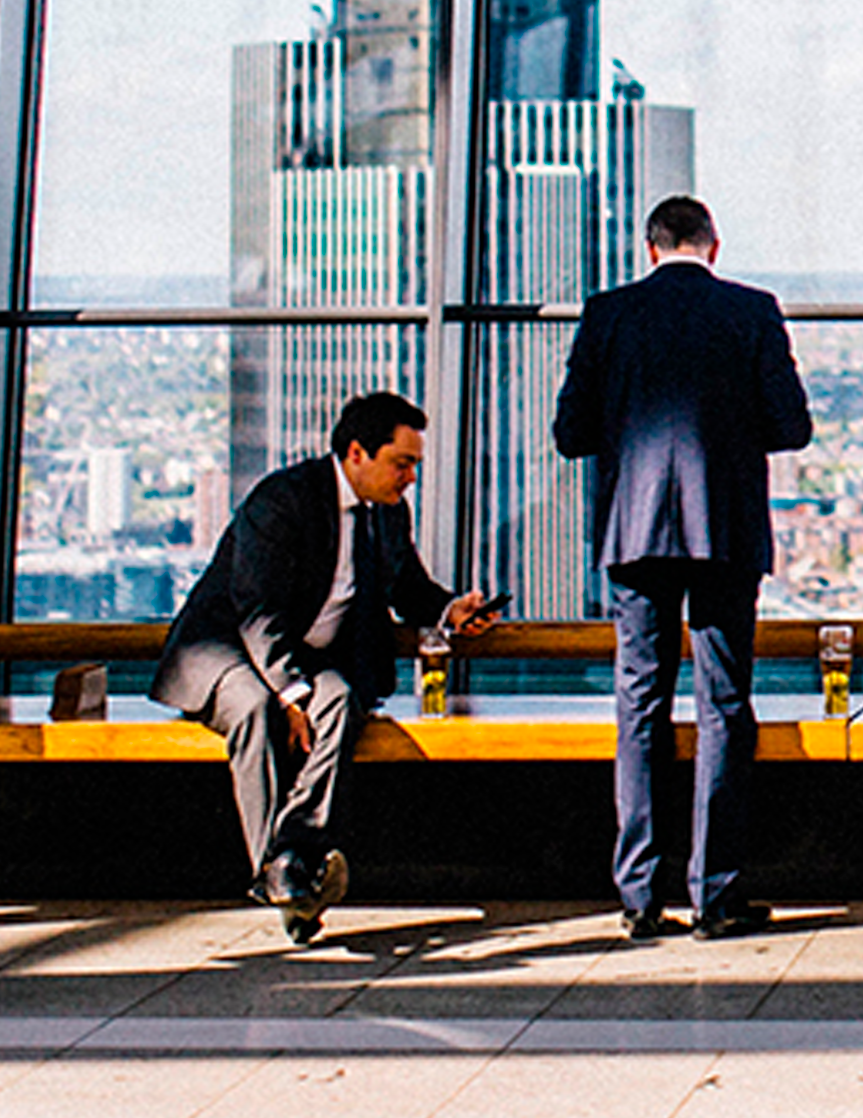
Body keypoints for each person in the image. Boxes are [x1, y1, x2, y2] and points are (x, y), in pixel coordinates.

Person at [553, 194, 813, 943]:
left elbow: (572, 433)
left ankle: (637, 895)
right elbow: (791, 425)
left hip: (633, 534)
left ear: (649, 248)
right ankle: (716, 895)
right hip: (723, 528)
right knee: (725, 704)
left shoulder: (607, 313)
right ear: (714, 245)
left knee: (638, 704)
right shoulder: (753, 310)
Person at [153, 390, 495, 941]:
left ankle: (290, 860)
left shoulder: (388, 513)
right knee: (257, 708)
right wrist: (290, 692)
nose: (410, 477)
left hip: (305, 657)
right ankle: (288, 871)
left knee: (340, 700)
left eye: (414, 465)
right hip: (226, 649)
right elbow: (256, 612)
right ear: (357, 453)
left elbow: (406, 585)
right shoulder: (282, 500)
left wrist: (450, 609)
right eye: (401, 462)